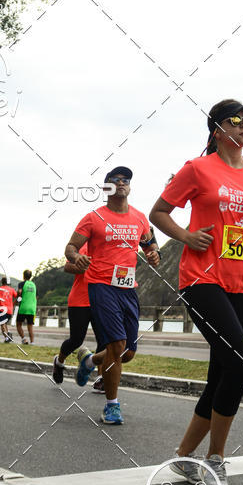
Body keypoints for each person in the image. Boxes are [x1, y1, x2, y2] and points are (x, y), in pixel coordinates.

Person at [150, 99, 243, 485]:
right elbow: (159, 212)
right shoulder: (197, 169)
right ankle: (216, 459)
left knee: (222, 373)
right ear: (216, 129)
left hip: (240, 283)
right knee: (240, 364)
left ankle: (184, 456)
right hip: (200, 279)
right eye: (236, 120)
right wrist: (186, 236)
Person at [64, 166, 160, 424]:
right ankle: (112, 405)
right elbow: (71, 247)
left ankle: (89, 362)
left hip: (127, 288)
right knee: (116, 346)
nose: (121, 183)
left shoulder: (139, 218)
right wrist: (77, 256)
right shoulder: (94, 217)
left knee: (127, 352)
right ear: (106, 187)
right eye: (115, 180)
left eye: (125, 180)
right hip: (101, 286)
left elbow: (150, 243)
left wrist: (154, 254)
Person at [51, 244, 105, 389]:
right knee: (76, 339)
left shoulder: (109, 247)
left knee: (104, 340)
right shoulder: (84, 246)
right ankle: (59, 362)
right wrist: (83, 267)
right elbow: (67, 267)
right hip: (80, 300)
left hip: (101, 301)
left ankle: (101, 378)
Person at [16, 269, 37, 344]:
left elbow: (19, 292)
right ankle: (32, 342)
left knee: (18, 324)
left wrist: (16, 299)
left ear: (23, 276)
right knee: (30, 326)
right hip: (32, 308)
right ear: (30, 276)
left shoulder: (22, 284)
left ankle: (24, 339)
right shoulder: (34, 285)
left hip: (23, 307)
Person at [0, 277, 15, 342]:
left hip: (2, 309)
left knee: (2, 324)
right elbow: (16, 295)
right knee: (5, 323)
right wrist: (13, 303)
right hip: (10, 310)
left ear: (2, 282)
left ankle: (7, 338)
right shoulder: (11, 289)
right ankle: (8, 333)